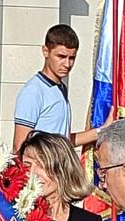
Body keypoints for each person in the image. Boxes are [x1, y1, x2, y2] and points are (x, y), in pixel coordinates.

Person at [13, 24, 99, 153]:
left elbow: (63, 140)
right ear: (45, 51)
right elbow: (19, 147)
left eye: (72, 58)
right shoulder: (33, 91)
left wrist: (103, 130)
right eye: (61, 57)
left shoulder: (60, 88)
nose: (67, 64)